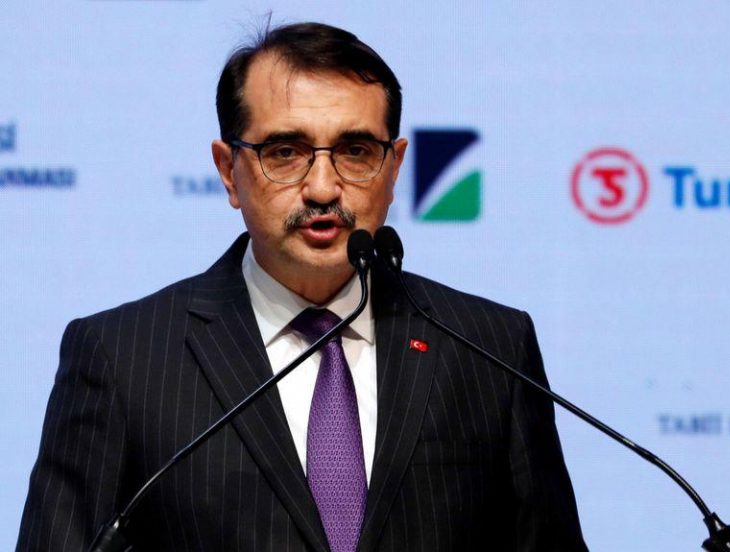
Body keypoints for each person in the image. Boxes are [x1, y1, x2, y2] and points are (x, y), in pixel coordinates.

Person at [17, 22, 587, 552]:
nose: (322, 188)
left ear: (394, 168)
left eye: (355, 151)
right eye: (285, 152)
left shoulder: (489, 347)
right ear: (228, 171)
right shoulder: (123, 358)